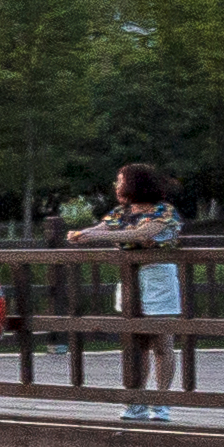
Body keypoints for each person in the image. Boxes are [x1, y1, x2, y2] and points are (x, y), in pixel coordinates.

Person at [79, 164, 184, 419]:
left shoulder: (164, 211)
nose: (116, 186)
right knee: (135, 343)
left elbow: (143, 233)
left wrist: (94, 238)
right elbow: (102, 228)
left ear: (135, 184)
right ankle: (136, 400)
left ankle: (161, 402)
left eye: (120, 180)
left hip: (158, 275)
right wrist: (83, 234)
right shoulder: (120, 212)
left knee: (161, 342)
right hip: (129, 277)